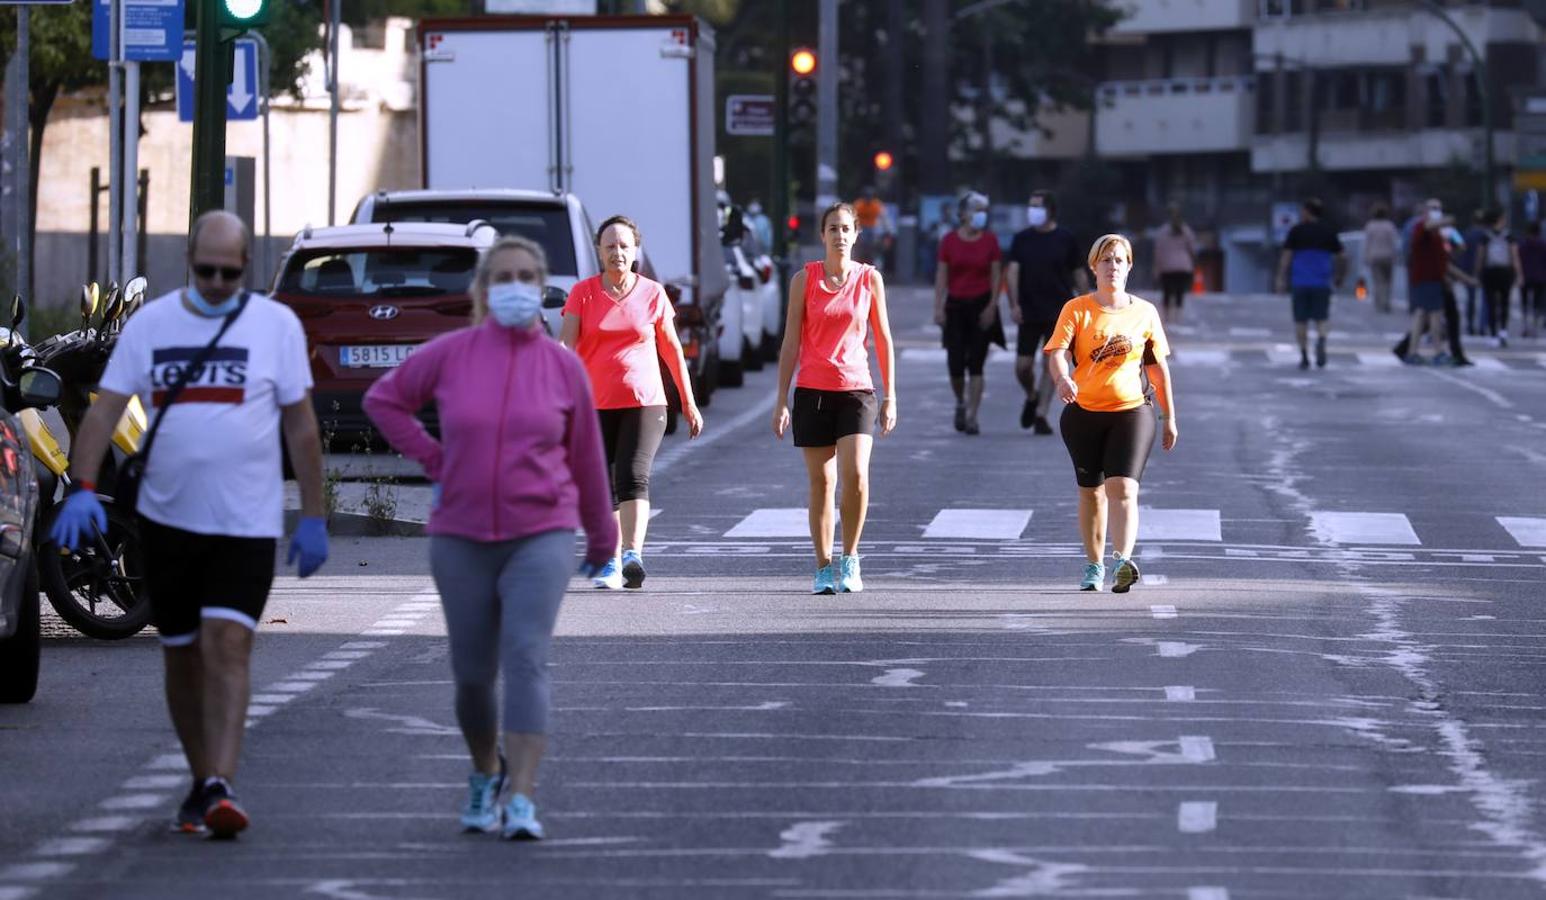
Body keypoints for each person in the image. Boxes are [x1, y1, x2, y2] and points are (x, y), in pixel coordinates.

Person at [49, 210, 329, 839]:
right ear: (189, 265)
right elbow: (104, 412)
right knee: (181, 655)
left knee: (229, 645)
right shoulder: (153, 326)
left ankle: (221, 783)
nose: (217, 282)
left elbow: (301, 426)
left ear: (246, 267)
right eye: (206, 271)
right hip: (166, 520)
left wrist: (313, 515)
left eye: (230, 273)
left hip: (246, 522)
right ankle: (202, 776)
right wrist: (81, 487)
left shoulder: (274, 327)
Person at [364, 235, 617, 841]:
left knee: (526, 658)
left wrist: (604, 534)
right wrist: (435, 458)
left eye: (528, 277)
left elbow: (585, 457)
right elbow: (384, 399)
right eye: (503, 277)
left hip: (543, 533)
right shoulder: (452, 354)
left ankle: (523, 797)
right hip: (461, 534)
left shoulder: (562, 367)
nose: (516, 287)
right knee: (473, 674)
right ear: (482, 291)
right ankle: (486, 771)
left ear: (541, 290)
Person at [560, 216, 703, 590]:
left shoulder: (652, 293)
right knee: (603, 481)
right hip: (593, 404)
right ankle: (609, 559)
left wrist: (688, 401)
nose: (617, 252)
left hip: (646, 402)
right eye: (610, 246)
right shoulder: (583, 294)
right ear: (599, 251)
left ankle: (632, 555)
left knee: (632, 475)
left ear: (635, 250)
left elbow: (672, 351)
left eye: (624, 245)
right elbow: (566, 348)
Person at [772, 201, 897, 594]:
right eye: (832, 229)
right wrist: (781, 398)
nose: (839, 236)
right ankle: (824, 566)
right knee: (822, 483)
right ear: (822, 235)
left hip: (857, 390)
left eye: (846, 229)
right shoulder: (803, 280)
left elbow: (883, 339)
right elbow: (791, 340)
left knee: (856, 475)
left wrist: (891, 394)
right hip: (813, 391)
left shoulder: (869, 279)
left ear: (856, 234)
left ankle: (851, 558)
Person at [1044, 233, 1177, 593]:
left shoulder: (1145, 312)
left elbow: (1157, 369)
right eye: (1106, 260)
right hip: (1083, 412)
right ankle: (1093, 565)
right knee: (1091, 492)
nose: (1113, 266)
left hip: (1132, 412)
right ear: (1093, 267)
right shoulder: (1077, 309)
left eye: (1119, 260)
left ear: (1130, 266)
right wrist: (1062, 379)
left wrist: (1169, 417)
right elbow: (1057, 352)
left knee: (1123, 487)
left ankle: (1122, 560)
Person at [1006, 189, 1086, 435]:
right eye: (1031, 205)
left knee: (1052, 362)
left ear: (1050, 209)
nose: (1033, 210)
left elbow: (1078, 272)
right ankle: (1032, 395)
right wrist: (1014, 304)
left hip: (1060, 311)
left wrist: (1085, 303)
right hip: (1029, 310)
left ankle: (1041, 412)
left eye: (1037, 206)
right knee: (1023, 366)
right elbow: (1012, 271)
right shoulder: (1022, 239)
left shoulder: (1066, 238)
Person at [934, 191, 1003, 435]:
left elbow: (996, 275)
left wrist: (992, 306)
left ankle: (973, 415)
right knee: (955, 364)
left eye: (983, 210)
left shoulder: (990, 241)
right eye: (976, 210)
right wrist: (938, 306)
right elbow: (942, 275)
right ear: (963, 214)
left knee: (976, 364)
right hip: (955, 306)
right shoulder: (949, 241)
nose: (980, 215)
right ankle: (960, 402)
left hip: (981, 305)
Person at [1275, 197, 1345, 370]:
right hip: (1321, 282)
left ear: (1307, 211)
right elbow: (1342, 256)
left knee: (1301, 321)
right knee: (1322, 318)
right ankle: (1321, 339)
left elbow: (1286, 257)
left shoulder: (1296, 231)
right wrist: (1339, 275)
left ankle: (1304, 356)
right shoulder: (1329, 232)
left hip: (1300, 282)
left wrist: (1281, 278)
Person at [1403, 198, 1456, 365]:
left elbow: (1447, 254)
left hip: (1433, 278)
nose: (1436, 210)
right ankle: (1438, 351)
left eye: (1439, 208)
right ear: (1425, 211)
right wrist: (1446, 221)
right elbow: (1428, 226)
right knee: (1433, 314)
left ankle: (1414, 352)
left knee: (1423, 314)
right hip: (1425, 278)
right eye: (1433, 208)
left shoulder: (1439, 233)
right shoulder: (1421, 226)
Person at [1475, 208, 1523, 348]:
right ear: (1500, 220)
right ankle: (1503, 331)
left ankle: (1493, 334)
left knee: (1490, 303)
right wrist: (1519, 274)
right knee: (1505, 302)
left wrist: (1477, 273)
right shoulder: (1509, 236)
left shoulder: (1485, 237)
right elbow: (1515, 257)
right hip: (1505, 272)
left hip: (1489, 272)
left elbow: (1480, 257)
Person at [1152, 204, 1196, 325]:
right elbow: (1192, 249)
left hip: (1167, 267)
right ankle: (1178, 317)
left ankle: (1167, 318)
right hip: (1183, 266)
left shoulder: (1161, 232)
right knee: (1179, 292)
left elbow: (1158, 251)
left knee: (1166, 292)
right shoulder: (1186, 231)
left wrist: (1157, 268)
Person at [1361, 205, 1400, 314]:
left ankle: (1379, 302)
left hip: (1374, 256)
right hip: (1388, 256)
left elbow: (1367, 243)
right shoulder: (1390, 226)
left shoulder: (1370, 226)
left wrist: (1366, 257)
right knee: (1388, 281)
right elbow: (1394, 242)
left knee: (1378, 281)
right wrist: (1395, 255)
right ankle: (1386, 302)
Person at [1518, 220, 1546, 338]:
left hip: (1525, 276)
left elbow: (1517, 260)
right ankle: (1534, 327)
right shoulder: (1543, 245)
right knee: (1537, 303)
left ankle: (1525, 326)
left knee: (1524, 303)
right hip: (1541, 277)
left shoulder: (1523, 245)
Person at [853, 186, 893, 268]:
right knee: (859, 253)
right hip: (861, 230)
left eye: (869, 197)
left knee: (875, 254)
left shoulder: (877, 205)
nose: (868, 199)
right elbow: (852, 218)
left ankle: (876, 269)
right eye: (866, 197)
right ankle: (857, 268)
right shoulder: (858, 205)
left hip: (873, 230)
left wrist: (888, 231)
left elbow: (884, 218)